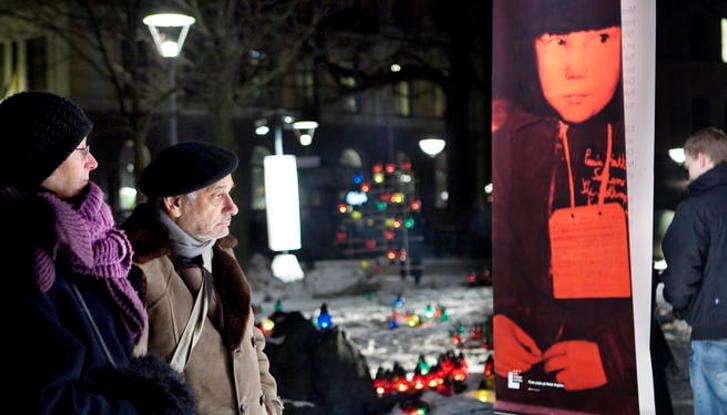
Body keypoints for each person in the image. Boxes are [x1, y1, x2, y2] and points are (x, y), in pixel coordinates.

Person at [1, 91, 197, 413]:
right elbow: (45, 398)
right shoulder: (23, 250)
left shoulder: (93, 242)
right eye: (80, 151)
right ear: (41, 161)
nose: (93, 162)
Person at [491, 0, 638, 413]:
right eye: (557, 41)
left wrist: (615, 356)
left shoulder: (641, 138)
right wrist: (500, 320)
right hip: (535, 385)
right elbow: (501, 244)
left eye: (601, 39)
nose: (576, 68)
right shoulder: (513, 145)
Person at [121, 141, 284, 415]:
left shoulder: (218, 250)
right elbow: (131, 383)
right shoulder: (135, 267)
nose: (233, 208)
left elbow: (251, 343)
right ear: (175, 203)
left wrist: (271, 406)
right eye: (218, 196)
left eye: (230, 194)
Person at [660, 126, 727, 414]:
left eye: (687, 166)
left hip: (713, 335)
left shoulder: (695, 209)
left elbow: (680, 277)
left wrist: (684, 307)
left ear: (701, 159)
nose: (687, 175)